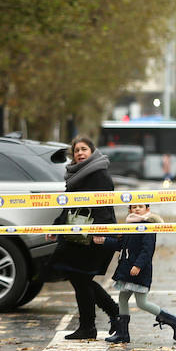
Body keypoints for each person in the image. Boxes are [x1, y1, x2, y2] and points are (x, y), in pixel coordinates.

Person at [45, 137, 120, 340]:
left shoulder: (99, 174)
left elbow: (104, 206)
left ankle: (96, 323)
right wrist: (55, 228)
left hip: (94, 235)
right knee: (79, 278)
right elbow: (69, 208)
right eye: (76, 150)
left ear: (92, 151)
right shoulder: (75, 175)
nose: (79, 153)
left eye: (83, 149)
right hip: (77, 234)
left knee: (81, 277)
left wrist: (100, 231)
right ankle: (107, 318)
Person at [92, 203, 176, 343]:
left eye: (140, 207)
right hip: (126, 270)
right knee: (123, 299)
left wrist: (138, 266)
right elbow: (121, 245)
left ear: (147, 209)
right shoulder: (129, 225)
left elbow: (147, 250)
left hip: (138, 271)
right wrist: (104, 241)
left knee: (142, 302)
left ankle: (173, 320)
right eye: (133, 207)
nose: (136, 209)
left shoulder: (148, 226)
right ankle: (123, 334)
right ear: (129, 210)